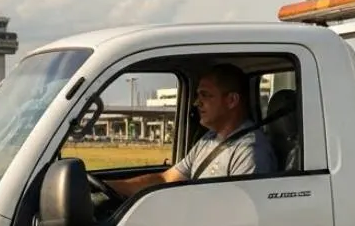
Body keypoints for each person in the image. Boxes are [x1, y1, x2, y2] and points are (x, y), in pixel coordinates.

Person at [108, 63, 276, 198]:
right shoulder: (209, 139)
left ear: (232, 100)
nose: (197, 103)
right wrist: (114, 187)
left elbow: (241, 214)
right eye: (198, 95)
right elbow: (166, 179)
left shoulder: (250, 152)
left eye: (205, 95)